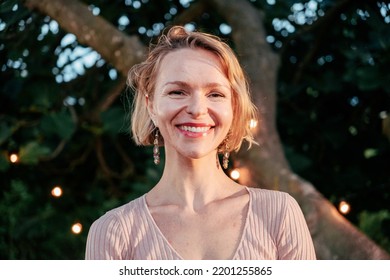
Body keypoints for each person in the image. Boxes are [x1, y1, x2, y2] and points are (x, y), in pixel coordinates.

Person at [85, 26, 316, 260]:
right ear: (151, 105)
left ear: (233, 108)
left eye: (215, 94)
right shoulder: (113, 232)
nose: (197, 109)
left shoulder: (279, 215)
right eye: (177, 92)